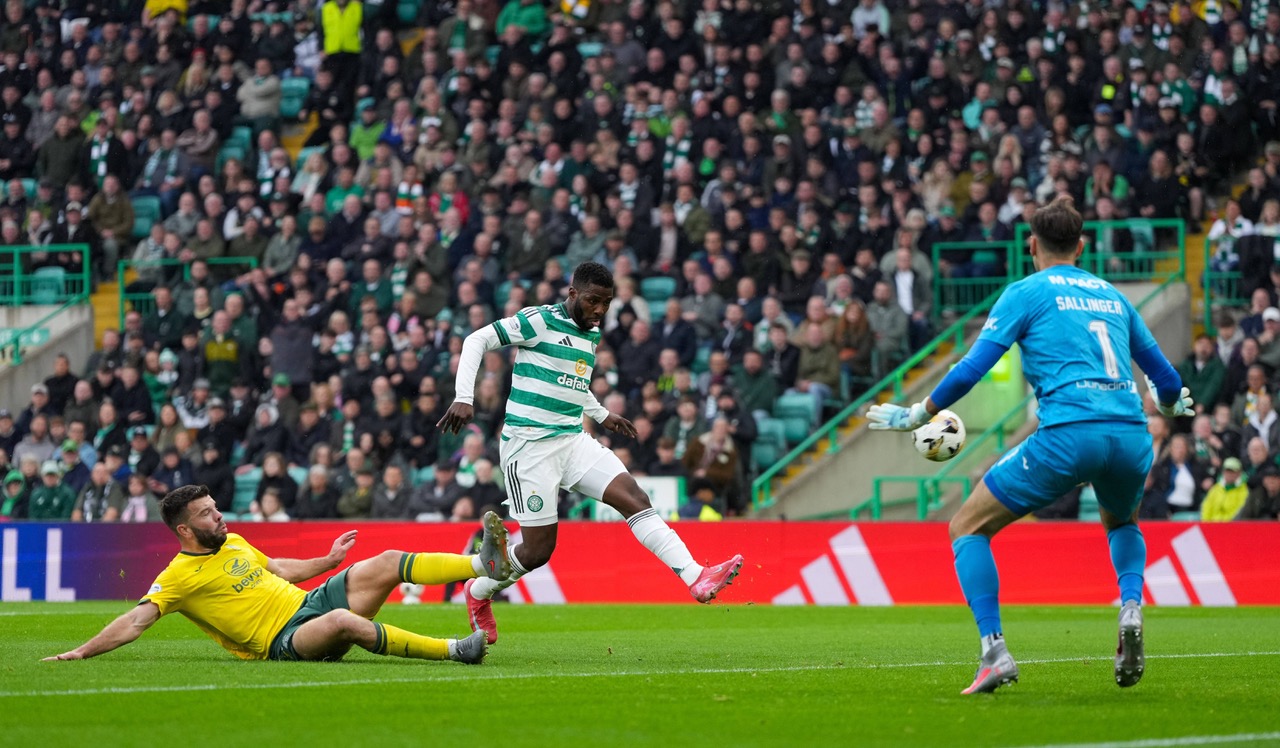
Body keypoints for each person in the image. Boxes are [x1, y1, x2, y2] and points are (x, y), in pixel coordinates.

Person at [867, 196, 1192, 694]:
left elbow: (972, 369)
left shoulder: (1026, 292)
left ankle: (994, 652)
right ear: (1081, 246)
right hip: (1130, 435)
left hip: (1068, 434)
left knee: (966, 525)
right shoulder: (1113, 296)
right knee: (1121, 521)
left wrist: (918, 413)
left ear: (1032, 246)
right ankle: (1130, 604)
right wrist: (1168, 408)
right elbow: (1167, 381)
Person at [438, 261, 743, 644]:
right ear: (572, 294)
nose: (599, 310)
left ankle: (695, 575)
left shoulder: (591, 332)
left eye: (606, 303)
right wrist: (464, 397)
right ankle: (479, 591)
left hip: (572, 440)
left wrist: (600, 414)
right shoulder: (539, 321)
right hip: (529, 448)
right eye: (593, 301)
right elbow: (475, 340)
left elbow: (574, 379)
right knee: (537, 551)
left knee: (634, 497)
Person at [44, 484, 511, 664]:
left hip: (307, 604)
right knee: (344, 623)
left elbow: (279, 568)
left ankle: (479, 564)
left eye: (216, 508)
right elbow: (136, 620)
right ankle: (455, 651)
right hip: (282, 642)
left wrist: (327, 563)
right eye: (206, 515)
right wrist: (81, 652)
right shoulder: (178, 576)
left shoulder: (233, 541)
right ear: (184, 529)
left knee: (387, 559)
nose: (219, 516)